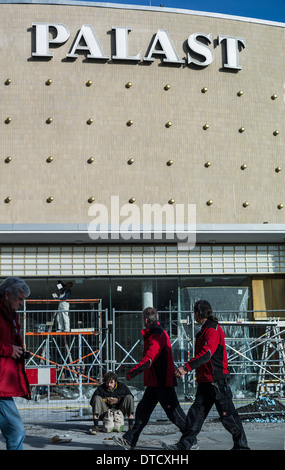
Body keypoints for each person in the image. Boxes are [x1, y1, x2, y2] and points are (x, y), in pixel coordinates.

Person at [163, 300, 250, 450]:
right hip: (206, 380)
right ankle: (185, 444)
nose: (194, 316)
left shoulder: (212, 329)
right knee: (195, 415)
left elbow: (207, 354)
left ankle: (242, 447)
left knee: (227, 415)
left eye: (194, 313)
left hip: (216, 379)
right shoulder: (204, 330)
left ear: (197, 313)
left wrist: (186, 367)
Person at [113, 307, 186, 450]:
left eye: (143, 319)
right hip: (155, 382)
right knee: (142, 412)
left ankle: (191, 439)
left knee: (175, 414)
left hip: (162, 382)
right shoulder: (155, 333)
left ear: (146, 320)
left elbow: (148, 360)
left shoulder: (157, 334)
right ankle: (129, 440)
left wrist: (131, 373)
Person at [0, 276, 31, 450]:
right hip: (1, 385)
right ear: (7, 295)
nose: (21, 303)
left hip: (3, 383)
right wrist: (9, 350)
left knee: (15, 431)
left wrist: (16, 352)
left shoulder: (10, 315)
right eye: (19, 299)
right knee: (16, 431)